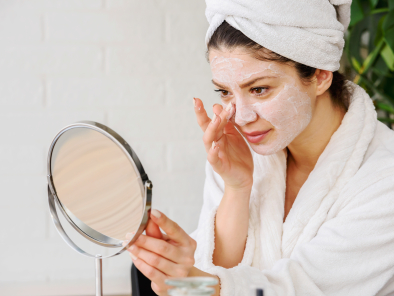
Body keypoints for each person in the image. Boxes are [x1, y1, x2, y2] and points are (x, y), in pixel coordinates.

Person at [125, 0, 394, 295]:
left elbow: (306, 288)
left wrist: (192, 283)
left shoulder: (384, 180)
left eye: (259, 89)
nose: (240, 116)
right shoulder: (239, 154)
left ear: (320, 75)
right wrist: (236, 188)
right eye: (225, 92)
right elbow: (218, 270)